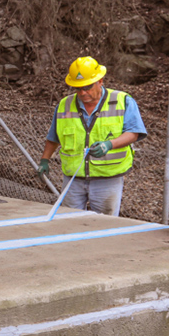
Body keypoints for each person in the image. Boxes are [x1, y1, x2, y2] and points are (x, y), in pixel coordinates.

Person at [36, 56, 146, 216]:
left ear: (100, 81)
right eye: (78, 88)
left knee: (104, 226)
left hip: (107, 178)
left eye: (87, 87)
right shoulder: (64, 105)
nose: (83, 92)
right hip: (73, 179)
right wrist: (44, 160)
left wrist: (109, 145)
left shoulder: (122, 101)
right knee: (69, 223)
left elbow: (134, 133)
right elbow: (54, 137)